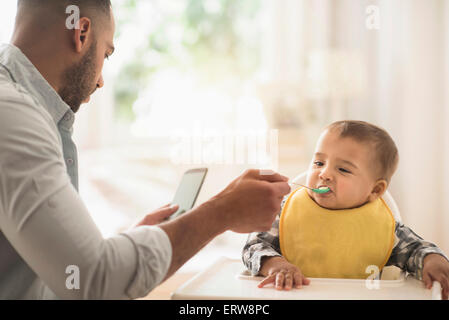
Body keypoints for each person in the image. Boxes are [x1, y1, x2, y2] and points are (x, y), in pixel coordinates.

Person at [0, 0, 291, 299]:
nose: (100, 81)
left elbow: (62, 273)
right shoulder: (12, 116)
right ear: (82, 32)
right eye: (106, 54)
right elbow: (93, 280)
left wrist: (126, 244)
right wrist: (222, 212)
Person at [242, 120, 449, 299]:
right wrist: (275, 264)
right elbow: (254, 245)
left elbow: (415, 250)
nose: (324, 174)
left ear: (375, 190)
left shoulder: (384, 228)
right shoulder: (286, 212)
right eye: (319, 162)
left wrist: (433, 260)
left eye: (343, 169)